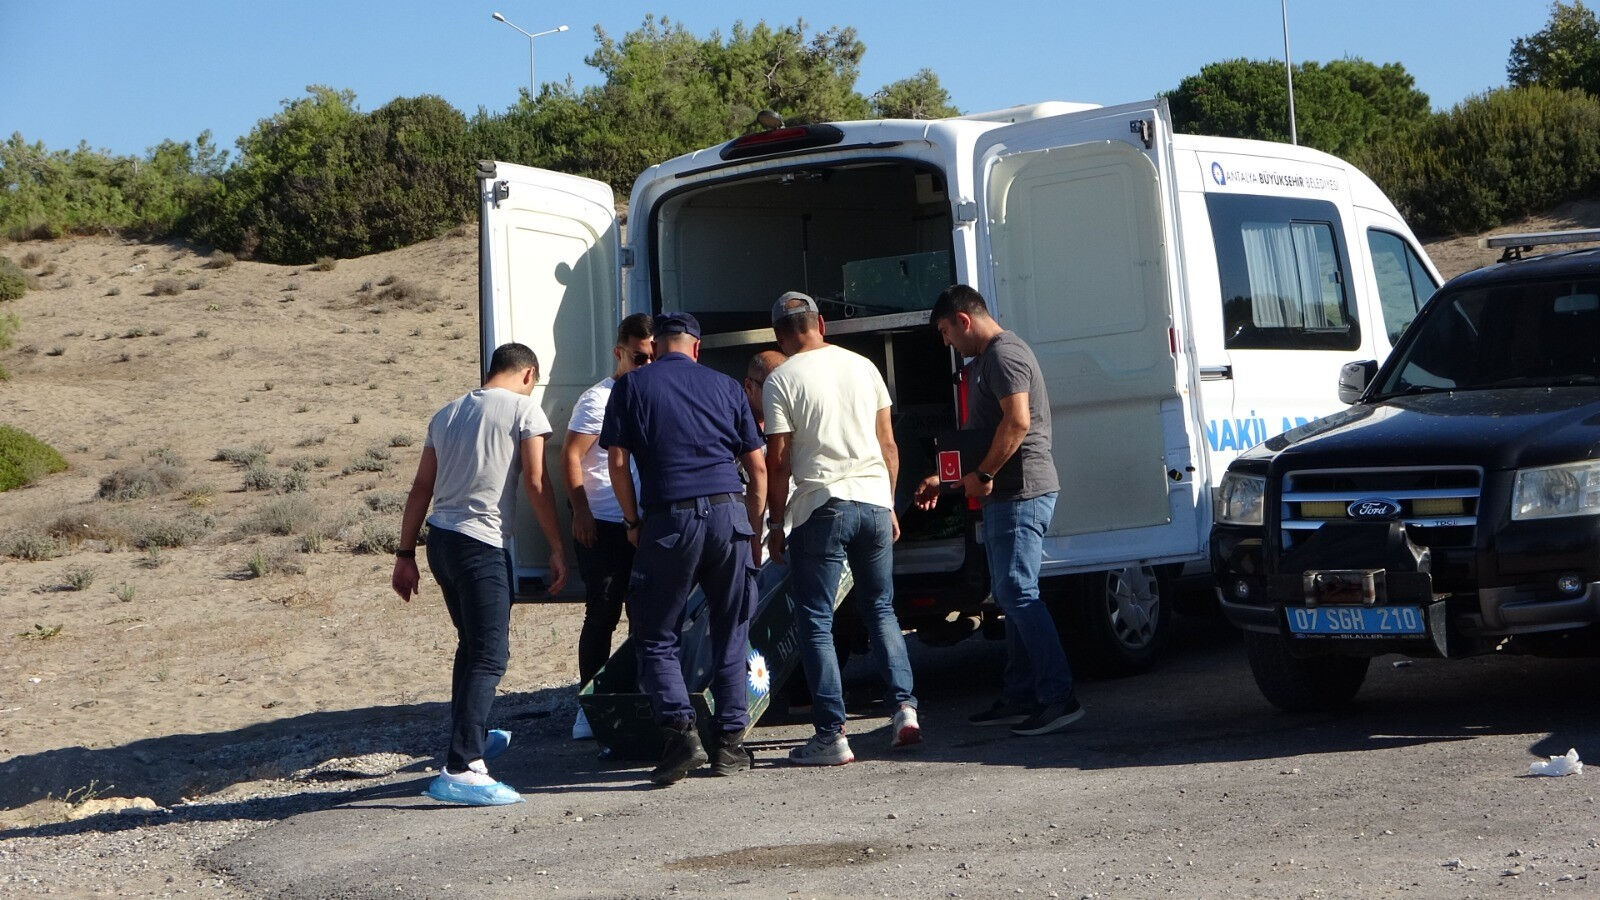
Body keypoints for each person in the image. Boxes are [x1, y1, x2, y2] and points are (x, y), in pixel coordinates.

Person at [392, 342, 569, 806]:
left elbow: (420, 488)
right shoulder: (524, 412)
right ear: (529, 375)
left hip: (441, 542)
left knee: (470, 646)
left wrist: (404, 553)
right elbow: (535, 482)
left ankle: (468, 736)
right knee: (490, 655)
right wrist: (556, 546)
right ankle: (463, 766)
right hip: (481, 545)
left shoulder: (446, 413)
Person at [600, 312, 767, 785]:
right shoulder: (728, 387)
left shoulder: (632, 386)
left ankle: (681, 735)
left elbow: (616, 462)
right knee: (731, 627)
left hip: (670, 520)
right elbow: (757, 468)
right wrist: (751, 529)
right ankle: (730, 746)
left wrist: (632, 521)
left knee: (656, 632)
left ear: (656, 345)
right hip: (728, 514)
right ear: (696, 346)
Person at [915, 284, 1083, 736]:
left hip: (1021, 492)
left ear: (963, 320)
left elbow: (1018, 422)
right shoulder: (988, 360)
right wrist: (946, 480)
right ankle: (1022, 694)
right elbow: (984, 438)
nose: (946, 342)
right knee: (1011, 594)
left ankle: (1058, 697)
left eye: (946, 331)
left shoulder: (1005, 356)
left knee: (1017, 592)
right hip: (1005, 494)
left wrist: (985, 475)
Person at [763, 291, 920, 766]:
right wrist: (890, 503)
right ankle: (904, 710)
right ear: (822, 323)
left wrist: (775, 523)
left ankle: (832, 734)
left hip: (821, 505)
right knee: (882, 609)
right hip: (873, 499)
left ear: (779, 336)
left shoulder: (780, 380)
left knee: (816, 620)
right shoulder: (863, 367)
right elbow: (888, 444)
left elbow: (779, 461)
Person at [562, 313, 654, 741]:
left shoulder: (653, 391)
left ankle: (638, 697)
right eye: (639, 357)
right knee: (602, 614)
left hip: (646, 521)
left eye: (653, 357)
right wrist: (580, 511)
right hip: (603, 522)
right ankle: (590, 705)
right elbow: (571, 456)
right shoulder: (597, 399)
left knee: (646, 614)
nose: (647, 365)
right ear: (620, 352)